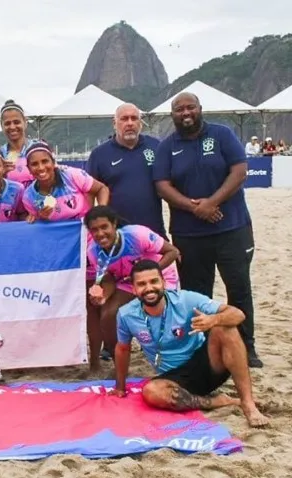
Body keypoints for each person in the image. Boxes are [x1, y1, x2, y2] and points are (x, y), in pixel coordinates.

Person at [153, 92, 261, 367]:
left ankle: (247, 347)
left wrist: (211, 203)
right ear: (173, 114)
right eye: (179, 109)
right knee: (195, 294)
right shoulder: (167, 146)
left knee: (238, 288)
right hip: (189, 234)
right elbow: (162, 186)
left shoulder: (222, 134)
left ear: (200, 109)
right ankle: (201, 348)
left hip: (232, 228)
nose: (185, 113)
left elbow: (239, 171)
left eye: (190, 107)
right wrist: (194, 208)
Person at [111, 260, 269, 428]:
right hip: (174, 377)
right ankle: (218, 401)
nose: (149, 288)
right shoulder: (126, 314)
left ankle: (248, 403)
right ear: (134, 289)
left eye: (154, 281)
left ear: (163, 282)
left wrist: (213, 320)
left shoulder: (186, 299)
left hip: (206, 364)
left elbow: (238, 314)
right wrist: (120, 387)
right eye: (142, 284)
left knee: (225, 328)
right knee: (152, 392)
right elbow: (123, 348)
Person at [84, 206, 180, 371]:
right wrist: (104, 296)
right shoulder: (94, 251)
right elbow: (109, 280)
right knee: (107, 315)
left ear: (114, 224)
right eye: (94, 230)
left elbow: (172, 252)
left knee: (161, 317)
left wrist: (149, 273)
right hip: (128, 282)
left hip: (159, 276)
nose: (100, 233)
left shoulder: (137, 235)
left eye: (104, 227)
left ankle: (173, 361)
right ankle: (120, 365)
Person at [86, 103, 165, 237]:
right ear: (114, 123)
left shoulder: (156, 147)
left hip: (153, 232)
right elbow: (89, 192)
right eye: (124, 119)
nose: (130, 123)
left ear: (140, 123)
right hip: (116, 234)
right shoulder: (99, 155)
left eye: (134, 118)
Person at [22, 141, 109, 222]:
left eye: (45, 161)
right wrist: (41, 218)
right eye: (34, 164)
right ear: (28, 168)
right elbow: (40, 226)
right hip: (58, 238)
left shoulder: (72, 175)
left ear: (53, 162)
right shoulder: (28, 197)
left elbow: (102, 189)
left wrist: (101, 213)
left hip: (84, 234)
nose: (41, 168)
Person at [0, 99, 35, 186]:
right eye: (7, 123)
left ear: (25, 123)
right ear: (2, 126)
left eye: (16, 122)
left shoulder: (38, 148)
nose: (12, 127)